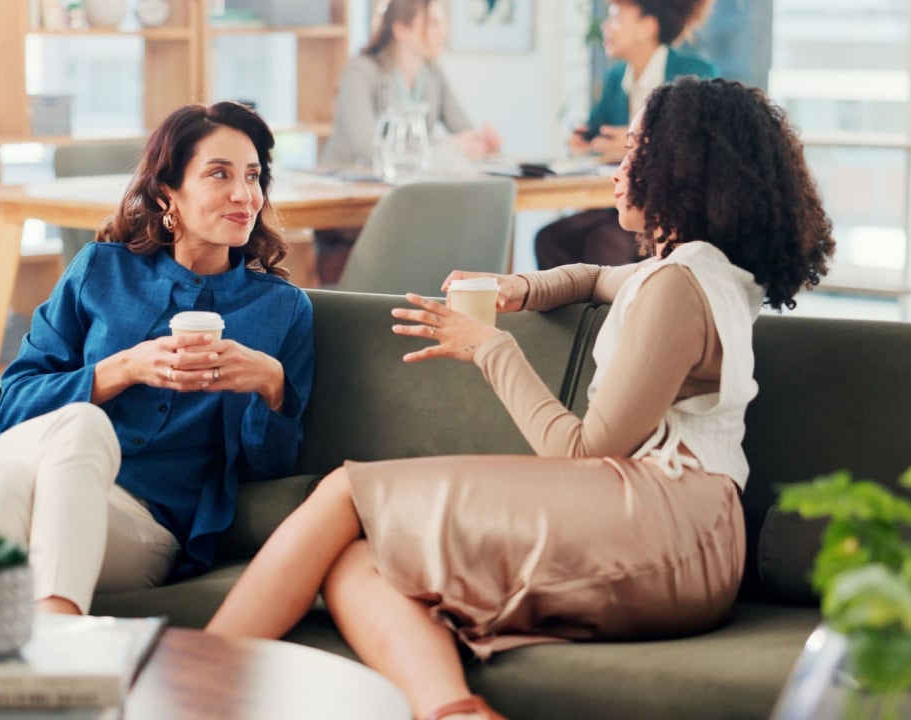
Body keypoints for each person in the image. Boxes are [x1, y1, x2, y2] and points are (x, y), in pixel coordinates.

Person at [205, 77, 835, 720]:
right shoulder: (706, 271)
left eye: (635, 150)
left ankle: (194, 680)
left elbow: (584, 451)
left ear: (681, 167)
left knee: (346, 490)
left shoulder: (678, 287)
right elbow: (596, 277)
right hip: (682, 531)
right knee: (360, 560)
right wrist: (518, 289)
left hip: (667, 529)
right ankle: (454, 711)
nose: (619, 169)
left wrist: (490, 347)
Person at [0, 101, 315, 616]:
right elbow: (14, 406)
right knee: (63, 439)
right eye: (219, 174)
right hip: (1, 483)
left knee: (43, 482)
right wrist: (122, 370)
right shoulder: (99, 270)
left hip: (137, 524)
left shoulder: (282, 311)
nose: (244, 194)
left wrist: (272, 387)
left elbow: (268, 470)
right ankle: (55, 631)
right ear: (168, 192)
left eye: (253, 175)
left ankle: (9, 634)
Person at [316, 0, 502, 286]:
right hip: (349, 206)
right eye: (433, 23)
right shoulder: (361, 71)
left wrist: (480, 141)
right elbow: (369, 147)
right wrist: (451, 146)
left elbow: (463, 129)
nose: (443, 32)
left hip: (405, 202)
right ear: (401, 29)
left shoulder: (433, 74)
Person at [535, 0, 718, 271]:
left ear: (647, 27)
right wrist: (584, 142)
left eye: (616, 18)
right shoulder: (616, 78)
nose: (606, 27)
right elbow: (595, 129)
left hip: (668, 207)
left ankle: (621, 300)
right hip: (618, 202)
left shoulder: (693, 74)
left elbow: (701, 146)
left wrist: (639, 145)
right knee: (550, 238)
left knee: (603, 240)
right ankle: (582, 302)